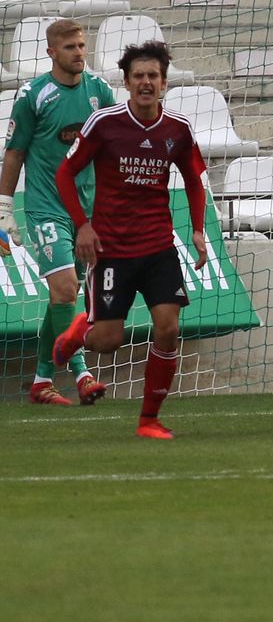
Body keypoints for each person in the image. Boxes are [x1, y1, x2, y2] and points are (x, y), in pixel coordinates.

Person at [49, 41, 208, 440]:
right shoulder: (103, 124)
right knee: (108, 340)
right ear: (126, 82)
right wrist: (82, 225)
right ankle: (78, 333)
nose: (146, 82)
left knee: (168, 328)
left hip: (158, 248)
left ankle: (149, 420)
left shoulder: (178, 129)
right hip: (112, 252)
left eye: (153, 76)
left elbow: (193, 180)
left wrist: (198, 230)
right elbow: (65, 173)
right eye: (138, 76)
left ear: (164, 83)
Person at [0, 19, 112, 407]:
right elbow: (15, 152)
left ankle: (41, 381)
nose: (79, 52)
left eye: (81, 45)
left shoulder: (100, 91)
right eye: (69, 47)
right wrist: (4, 207)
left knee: (64, 297)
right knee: (65, 289)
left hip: (87, 213)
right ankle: (82, 375)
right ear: (51, 52)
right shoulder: (33, 95)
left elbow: (111, 147)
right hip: (47, 208)